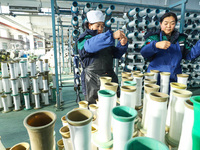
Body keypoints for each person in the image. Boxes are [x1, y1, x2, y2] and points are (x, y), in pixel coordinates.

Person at [77, 10, 128, 104]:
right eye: (98, 25)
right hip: (92, 82)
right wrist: (111, 36)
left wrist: (122, 44)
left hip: (109, 78)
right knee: (95, 108)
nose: (100, 28)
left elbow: (116, 54)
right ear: (89, 25)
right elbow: (89, 46)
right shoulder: (84, 39)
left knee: (111, 105)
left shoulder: (105, 39)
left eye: (102, 25)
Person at [140, 12, 200, 84]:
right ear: (161, 24)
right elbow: (144, 52)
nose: (169, 26)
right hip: (155, 78)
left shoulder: (181, 39)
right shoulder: (154, 37)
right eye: (166, 23)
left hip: (174, 78)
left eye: (172, 23)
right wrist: (155, 45)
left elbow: (190, 55)